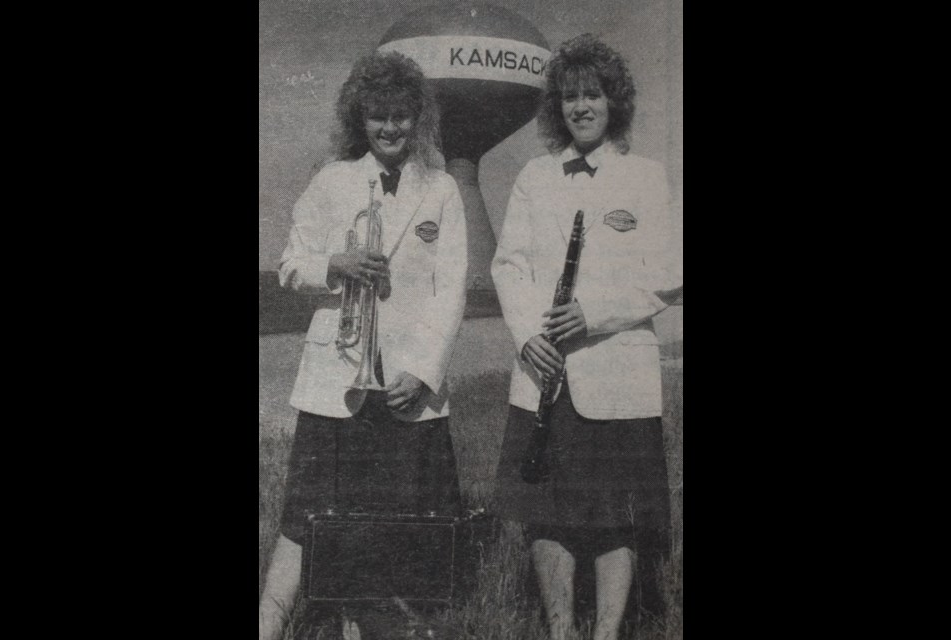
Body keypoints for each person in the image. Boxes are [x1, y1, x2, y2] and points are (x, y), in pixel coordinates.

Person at [259, 51, 468, 640]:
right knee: (307, 517)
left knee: (397, 521)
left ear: (417, 117)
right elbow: (289, 266)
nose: (390, 129)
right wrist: (338, 262)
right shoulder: (331, 180)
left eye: (401, 116)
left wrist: (425, 372)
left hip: (407, 383)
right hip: (338, 379)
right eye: (378, 117)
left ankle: (374, 625)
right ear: (361, 118)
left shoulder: (444, 189)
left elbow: (450, 290)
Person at [490, 33, 682, 640]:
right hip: (545, 374)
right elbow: (508, 265)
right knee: (545, 516)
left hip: (617, 374)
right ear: (558, 108)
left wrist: (591, 313)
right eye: (570, 97)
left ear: (612, 102)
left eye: (592, 95)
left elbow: (672, 274)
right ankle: (560, 632)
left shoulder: (646, 177)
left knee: (615, 519)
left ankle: (605, 635)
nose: (581, 107)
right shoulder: (534, 176)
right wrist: (528, 338)